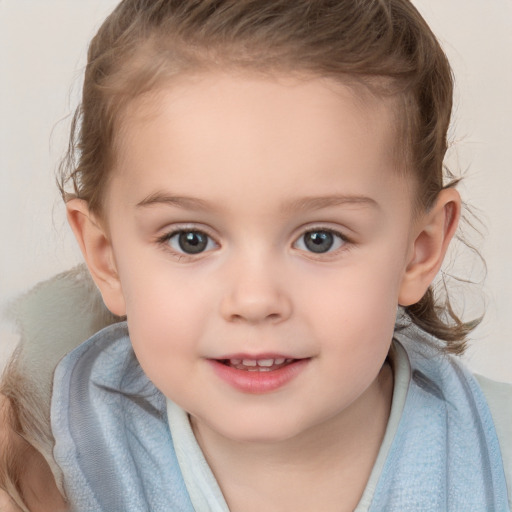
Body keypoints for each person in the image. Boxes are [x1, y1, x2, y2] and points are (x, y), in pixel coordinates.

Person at [1, 0, 511, 510]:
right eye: (190, 240)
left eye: (320, 239)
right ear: (106, 256)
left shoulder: (495, 455)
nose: (254, 300)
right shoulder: (44, 458)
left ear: (417, 252)